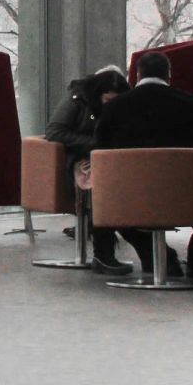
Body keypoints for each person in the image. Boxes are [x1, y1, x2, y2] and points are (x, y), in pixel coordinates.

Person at [94, 51, 193, 281]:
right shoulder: (191, 105)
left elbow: (101, 150)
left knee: (115, 211)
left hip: (130, 199)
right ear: (169, 75)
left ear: (138, 75)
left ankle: (158, 258)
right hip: (187, 195)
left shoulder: (116, 108)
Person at [45, 66, 138, 274]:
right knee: (102, 185)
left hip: (114, 158)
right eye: (107, 101)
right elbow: (54, 131)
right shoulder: (77, 99)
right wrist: (96, 143)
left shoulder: (126, 104)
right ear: (98, 96)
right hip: (80, 158)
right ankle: (104, 253)